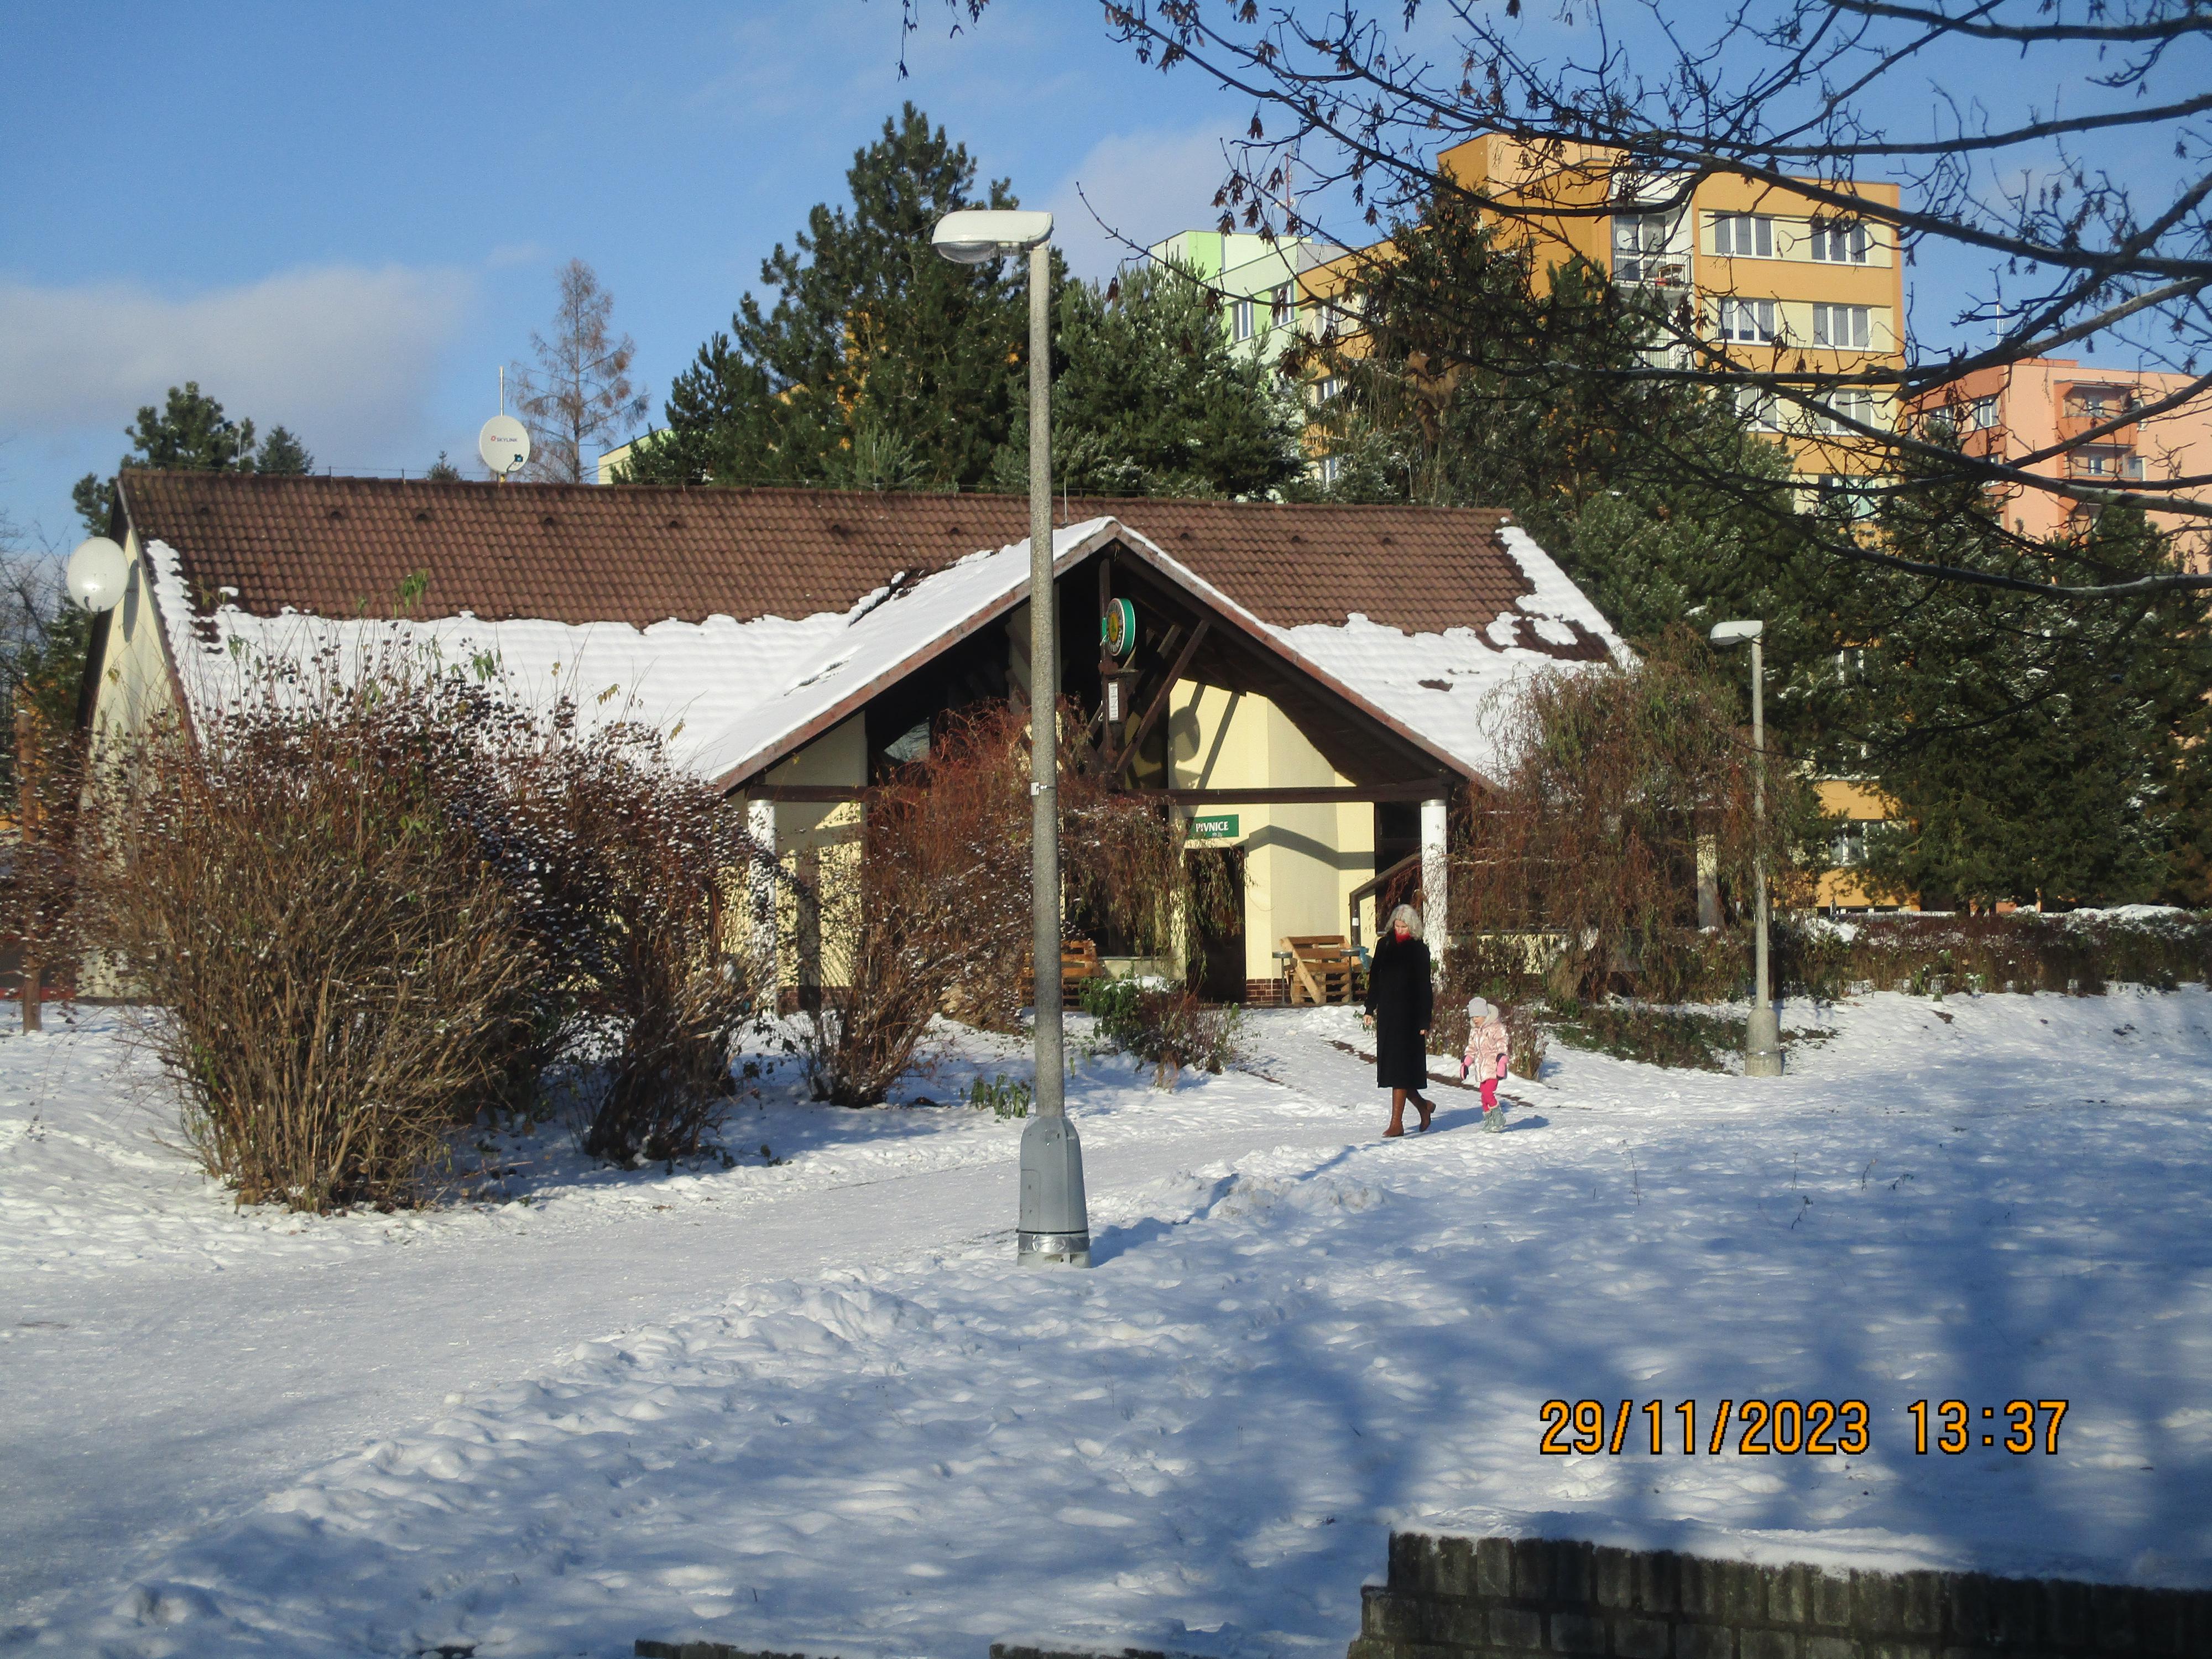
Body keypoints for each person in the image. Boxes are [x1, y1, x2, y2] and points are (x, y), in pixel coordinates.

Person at [1361, 903, 1435, 1136]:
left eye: (1404, 927)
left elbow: (1425, 988)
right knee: (1395, 1069)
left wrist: (1425, 1020)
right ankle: (1423, 1107)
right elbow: (1375, 980)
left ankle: (1397, 1124)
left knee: (1402, 1069)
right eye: (1397, 925)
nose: (1400, 929)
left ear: (1412, 928)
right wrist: (1369, 1008)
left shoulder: (1419, 950)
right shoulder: (1384, 946)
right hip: (1389, 1016)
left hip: (1411, 1018)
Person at [1460, 996, 1511, 1133]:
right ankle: (1489, 1120)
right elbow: (1472, 1049)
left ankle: (1498, 1116)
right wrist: (1466, 1063)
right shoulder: (1475, 1031)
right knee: (1483, 1096)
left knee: (1488, 1092)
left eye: (1477, 1016)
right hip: (1481, 1068)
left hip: (1493, 1067)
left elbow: (1502, 1042)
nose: (1475, 1020)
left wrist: (1502, 1058)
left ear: (1485, 1015)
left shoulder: (1496, 1027)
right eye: (1472, 1017)